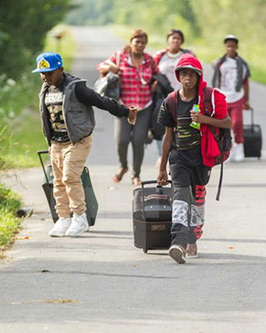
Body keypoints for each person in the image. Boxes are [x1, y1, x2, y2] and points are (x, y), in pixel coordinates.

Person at [32, 52, 137, 237]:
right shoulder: (46, 89)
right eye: (42, 73)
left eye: (49, 72)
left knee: (69, 178)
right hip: (56, 143)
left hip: (78, 141)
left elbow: (100, 101)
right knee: (57, 182)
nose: (45, 77)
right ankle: (63, 218)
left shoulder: (75, 87)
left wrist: (125, 112)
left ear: (60, 70)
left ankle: (80, 218)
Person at [157, 54, 231, 263]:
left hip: (202, 157)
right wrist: (162, 168)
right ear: (178, 76)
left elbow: (227, 123)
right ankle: (178, 242)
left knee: (197, 197)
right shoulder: (170, 101)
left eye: (192, 74)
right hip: (178, 158)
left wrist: (204, 120)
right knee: (180, 197)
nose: (187, 78)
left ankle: (193, 238)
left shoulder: (208, 98)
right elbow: (168, 136)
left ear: (199, 77)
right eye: (184, 74)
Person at [98, 29, 158, 186]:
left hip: (144, 106)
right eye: (137, 42)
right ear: (131, 42)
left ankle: (136, 175)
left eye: (143, 42)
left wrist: (156, 83)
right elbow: (101, 66)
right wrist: (112, 68)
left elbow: (157, 75)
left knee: (139, 141)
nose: (140, 45)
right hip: (124, 107)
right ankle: (123, 166)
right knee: (121, 140)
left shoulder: (149, 60)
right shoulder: (120, 57)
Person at [152, 29, 194, 165]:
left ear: (182, 41)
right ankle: (162, 156)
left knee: (185, 125)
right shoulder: (159, 56)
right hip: (164, 97)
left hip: (184, 96)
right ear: (168, 40)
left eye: (178, 38)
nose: (175, 40)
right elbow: (151, 73)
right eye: (172, 38)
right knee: (163, 126)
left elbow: (196, 73)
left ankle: (183, 156)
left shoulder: (188, 55)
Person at [212, 34, 251, 162]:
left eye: (233, 46)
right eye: (228, 46)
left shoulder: (242, 64)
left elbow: (245, 82)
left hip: (237, 96)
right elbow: (215, 80)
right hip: (222, 96)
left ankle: (239, 145)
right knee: (223, 125)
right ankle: (226, 149)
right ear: (225, 47)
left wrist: (246, 100)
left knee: (237, 122)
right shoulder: (220, 63)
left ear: (236, 47)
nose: (230, 49)